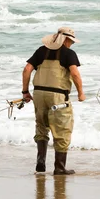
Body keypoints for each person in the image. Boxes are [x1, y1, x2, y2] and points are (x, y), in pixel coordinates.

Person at [21, 27, 85, 175]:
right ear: (66, 40)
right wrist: (81, 93)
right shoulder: (69, 54)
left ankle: (41, 162)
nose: (72, 44)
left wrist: (25, 92)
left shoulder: (41, 51)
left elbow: (26, 69)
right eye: (71, 41)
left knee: (42, 127)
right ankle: (59, 168)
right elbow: (75, 74)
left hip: (38, 94)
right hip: (58, 97)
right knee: (62, 129)